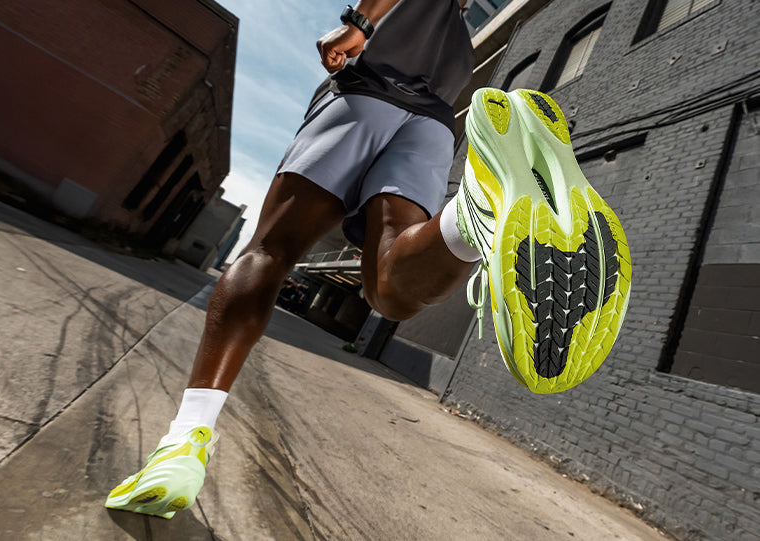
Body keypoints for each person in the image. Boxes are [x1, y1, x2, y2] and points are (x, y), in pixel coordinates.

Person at [105, 0, 631, 519]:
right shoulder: (457, 22)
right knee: (388, 291)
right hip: (434, 123)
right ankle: (470, 216)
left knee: (270, 251)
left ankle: (184, 442)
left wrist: (358, 22)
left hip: (369, 90)